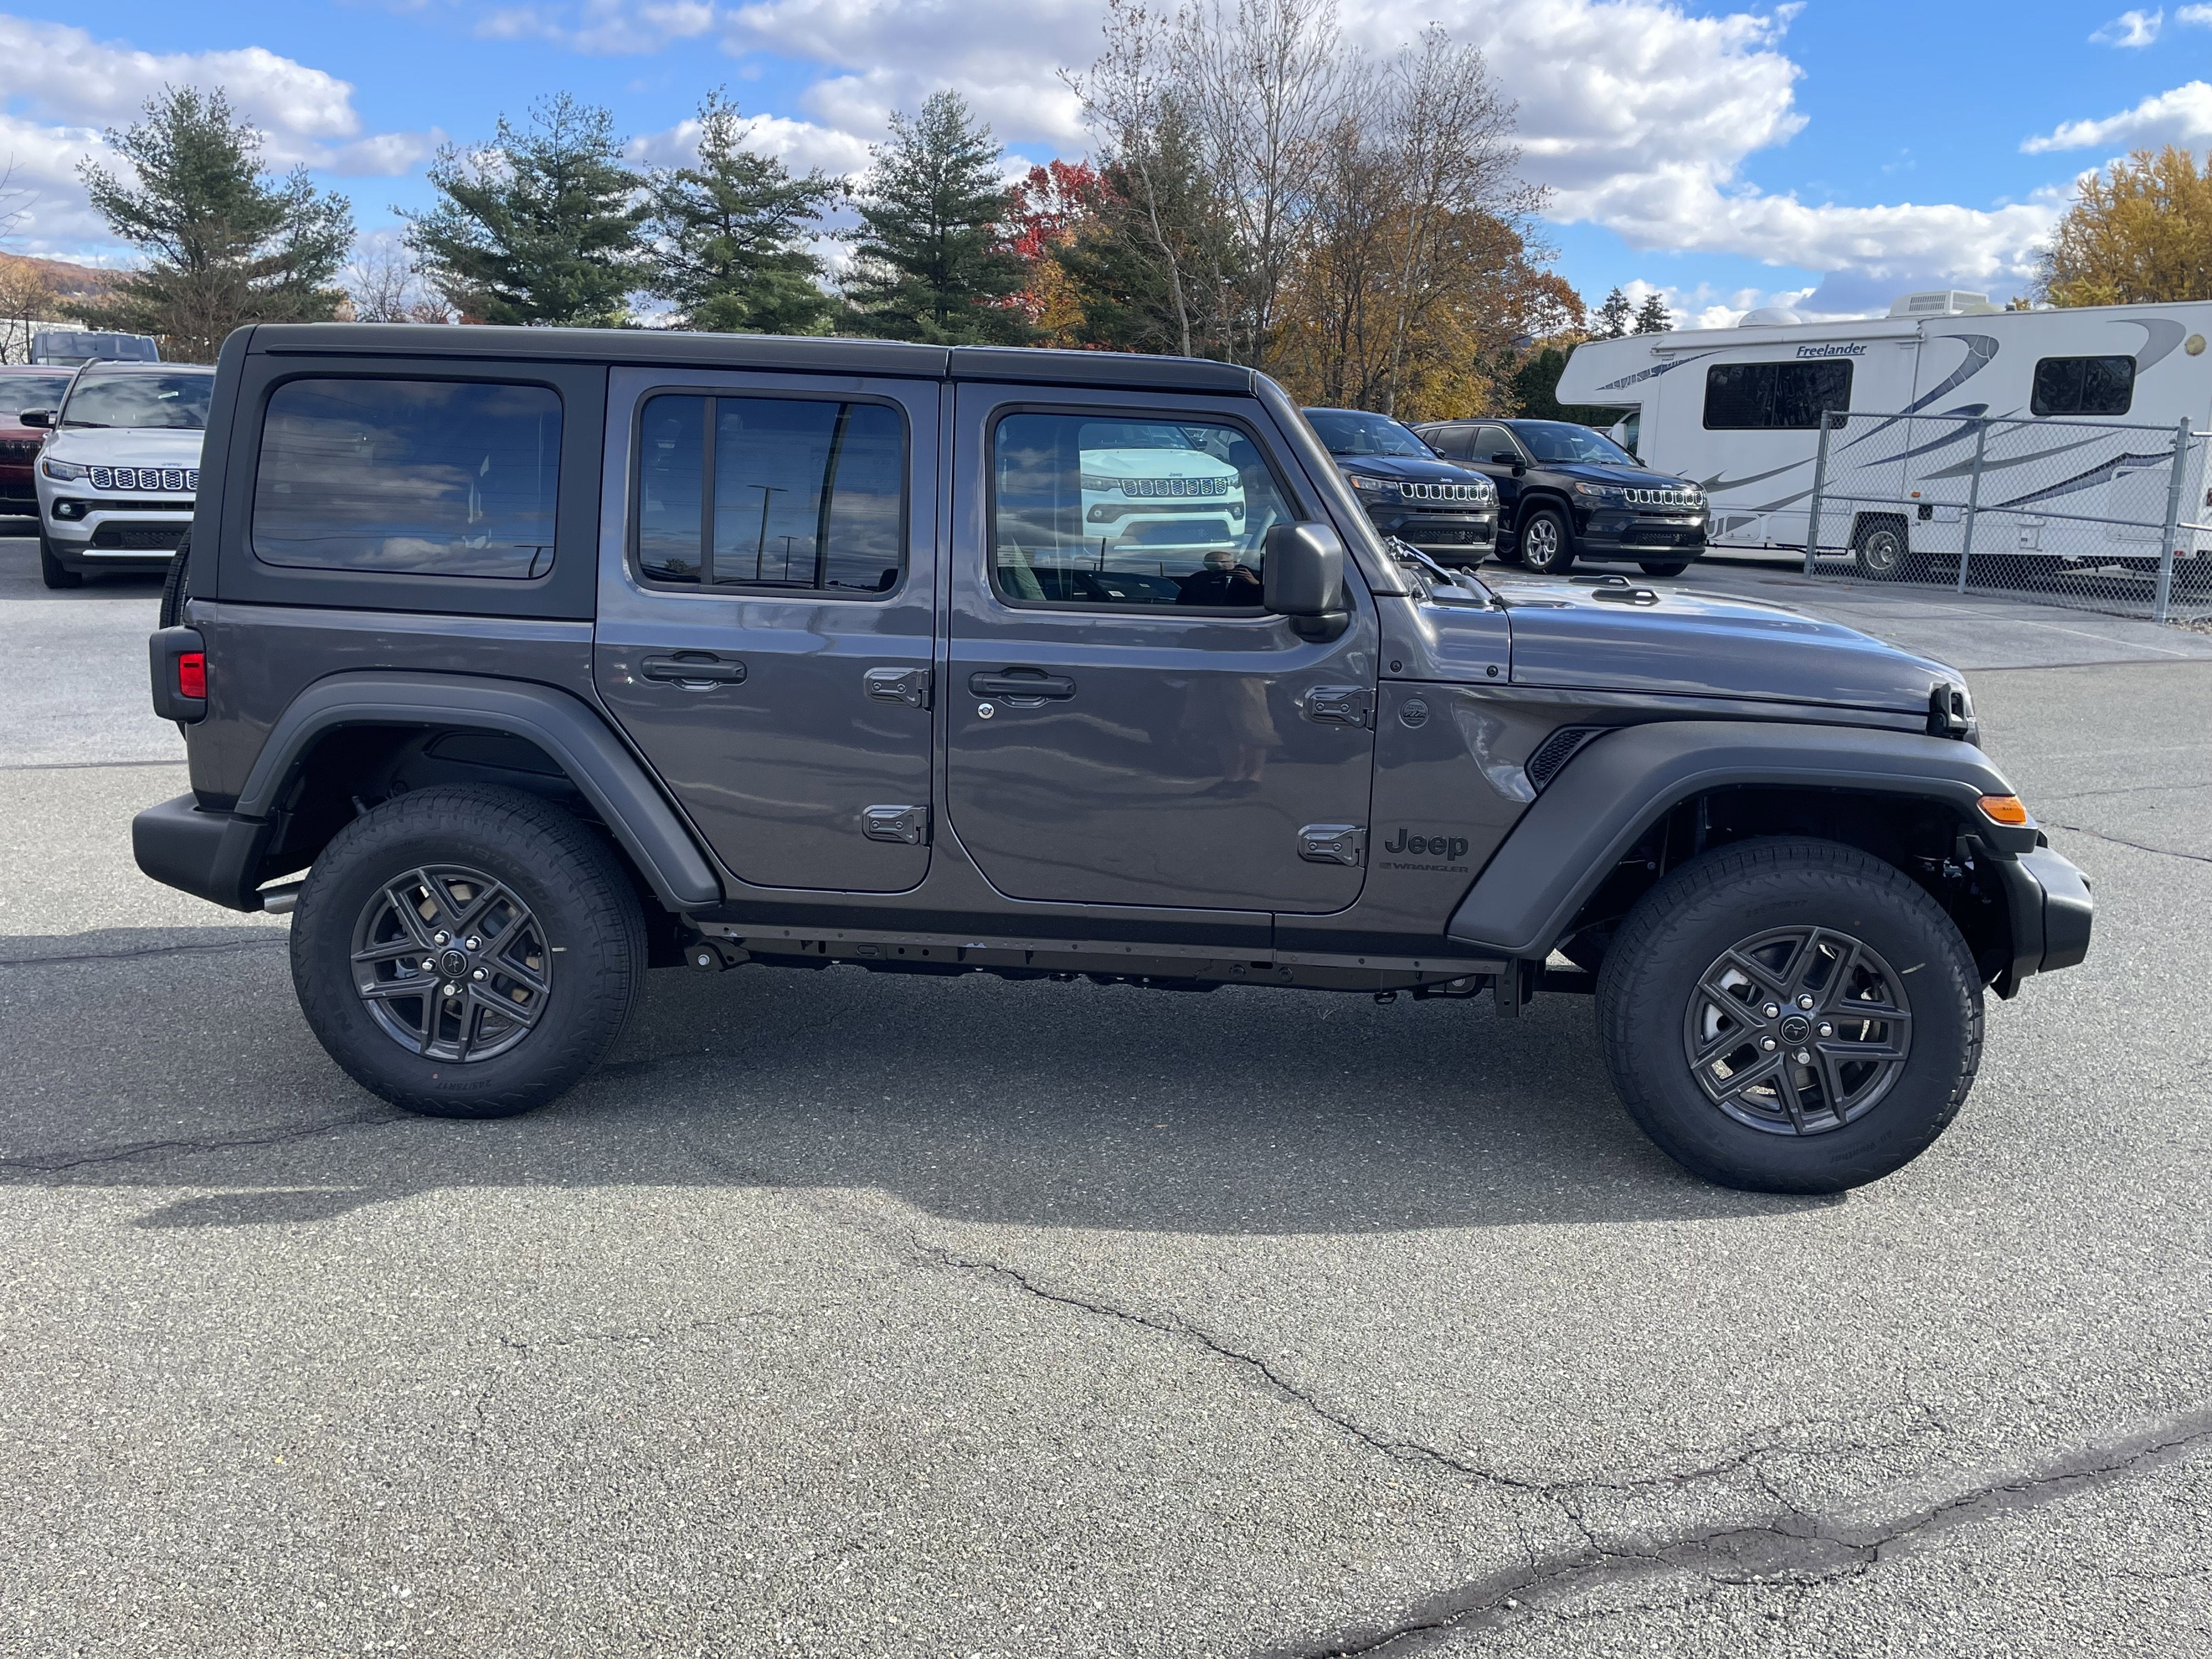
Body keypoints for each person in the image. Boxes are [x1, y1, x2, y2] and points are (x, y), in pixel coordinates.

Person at [1177, 545, 1262, 607]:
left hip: (1245, 616)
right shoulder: (1199, 578)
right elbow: (1183, 603)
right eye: (1213, 563)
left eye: (1224, 562)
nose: (1219, 565)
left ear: (1234, 562)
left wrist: (1255, 583)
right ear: (1205, 565)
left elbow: (1269, 599)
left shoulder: (1250, 574)